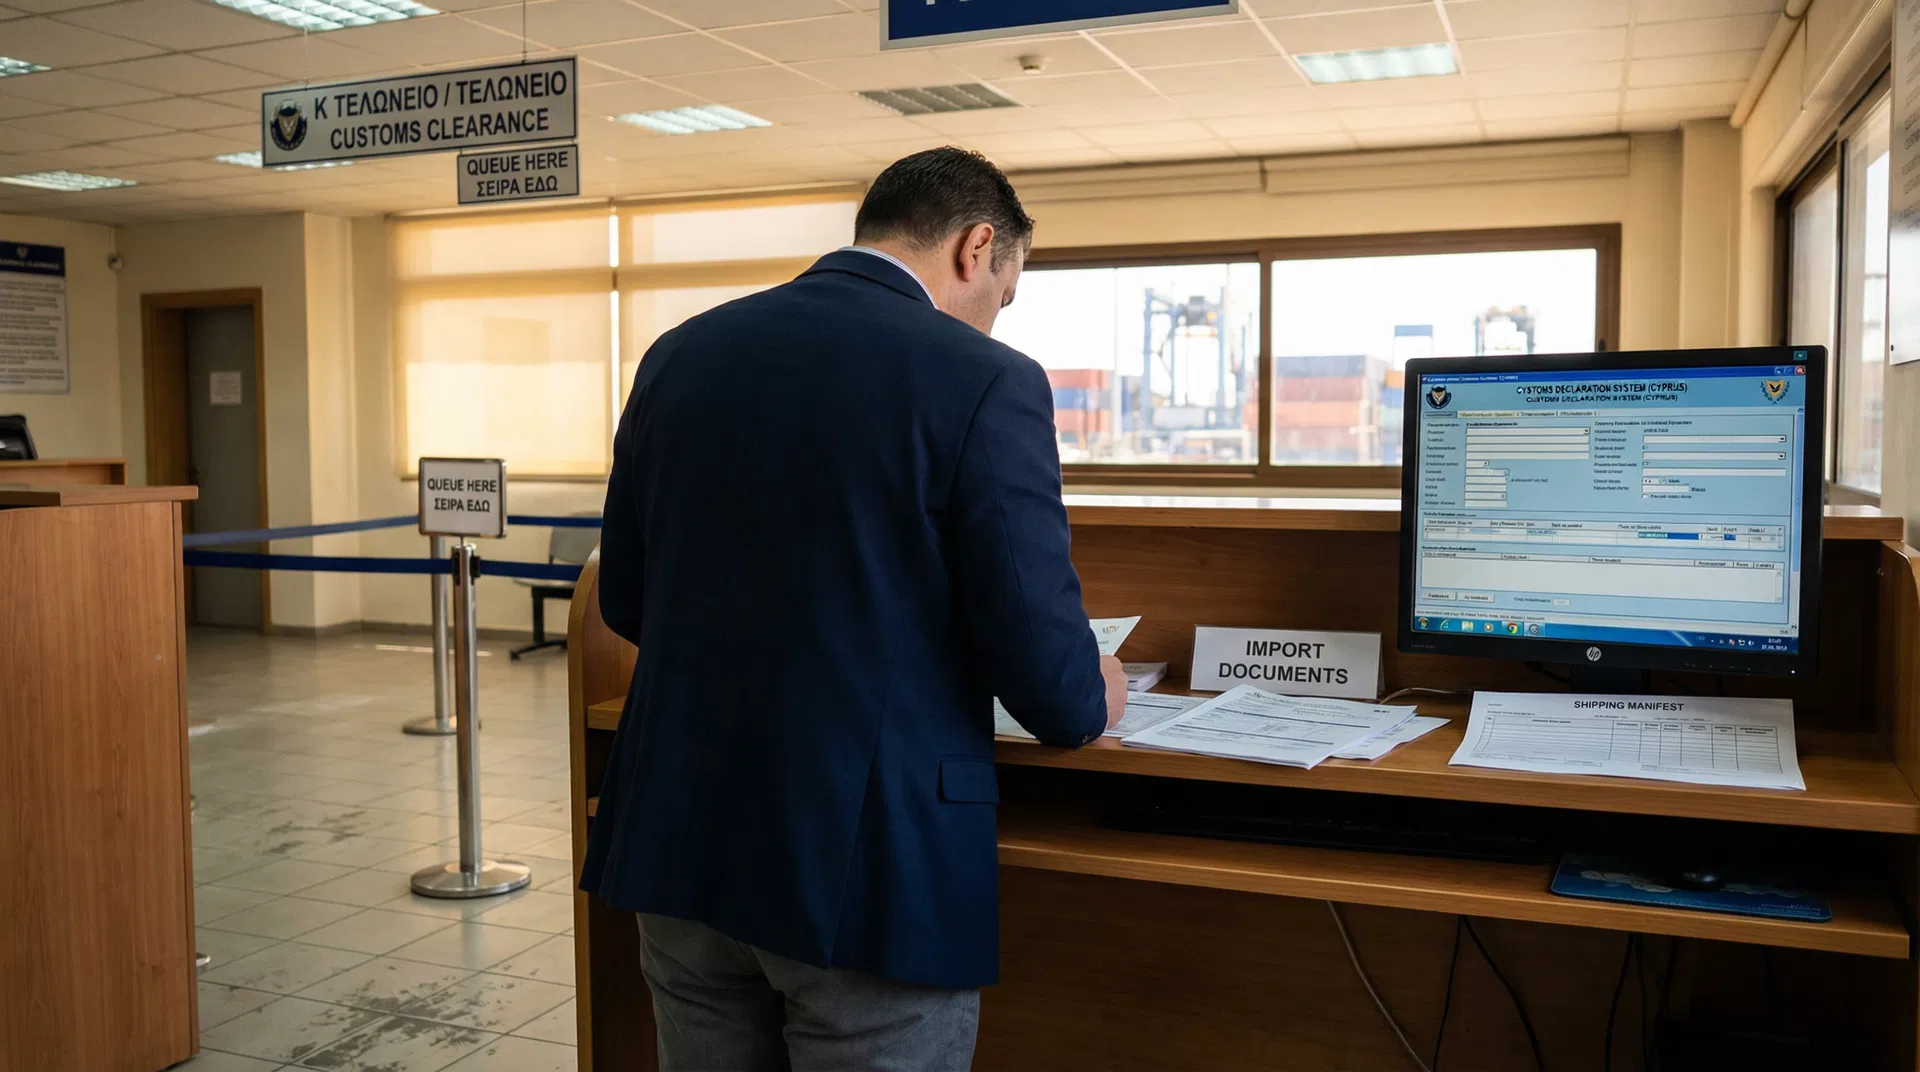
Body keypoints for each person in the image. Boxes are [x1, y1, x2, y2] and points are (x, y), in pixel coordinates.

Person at [580, 146, 1130, 1071]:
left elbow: (629, 600)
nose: (997, 318)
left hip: (679, 843)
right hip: (867, 871)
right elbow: (1054, 686)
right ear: (977, 247)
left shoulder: (680, 353)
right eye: (1007, 291)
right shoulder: (984, 380)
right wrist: (1099, 687)